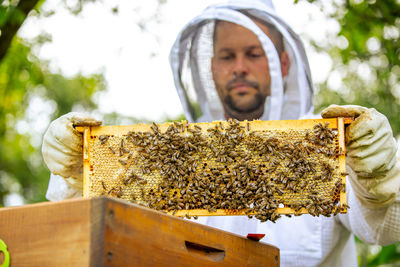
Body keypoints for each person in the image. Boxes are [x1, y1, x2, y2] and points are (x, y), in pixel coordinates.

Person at [42, 1, 400, 266]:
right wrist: (75, 176)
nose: (240, 68)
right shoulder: (175, 155)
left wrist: (380, 178)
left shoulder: (327, 147)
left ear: (282, 63)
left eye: (253, 53)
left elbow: (386, 229)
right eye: (227, 56)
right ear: (210, 67)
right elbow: (90, 229)